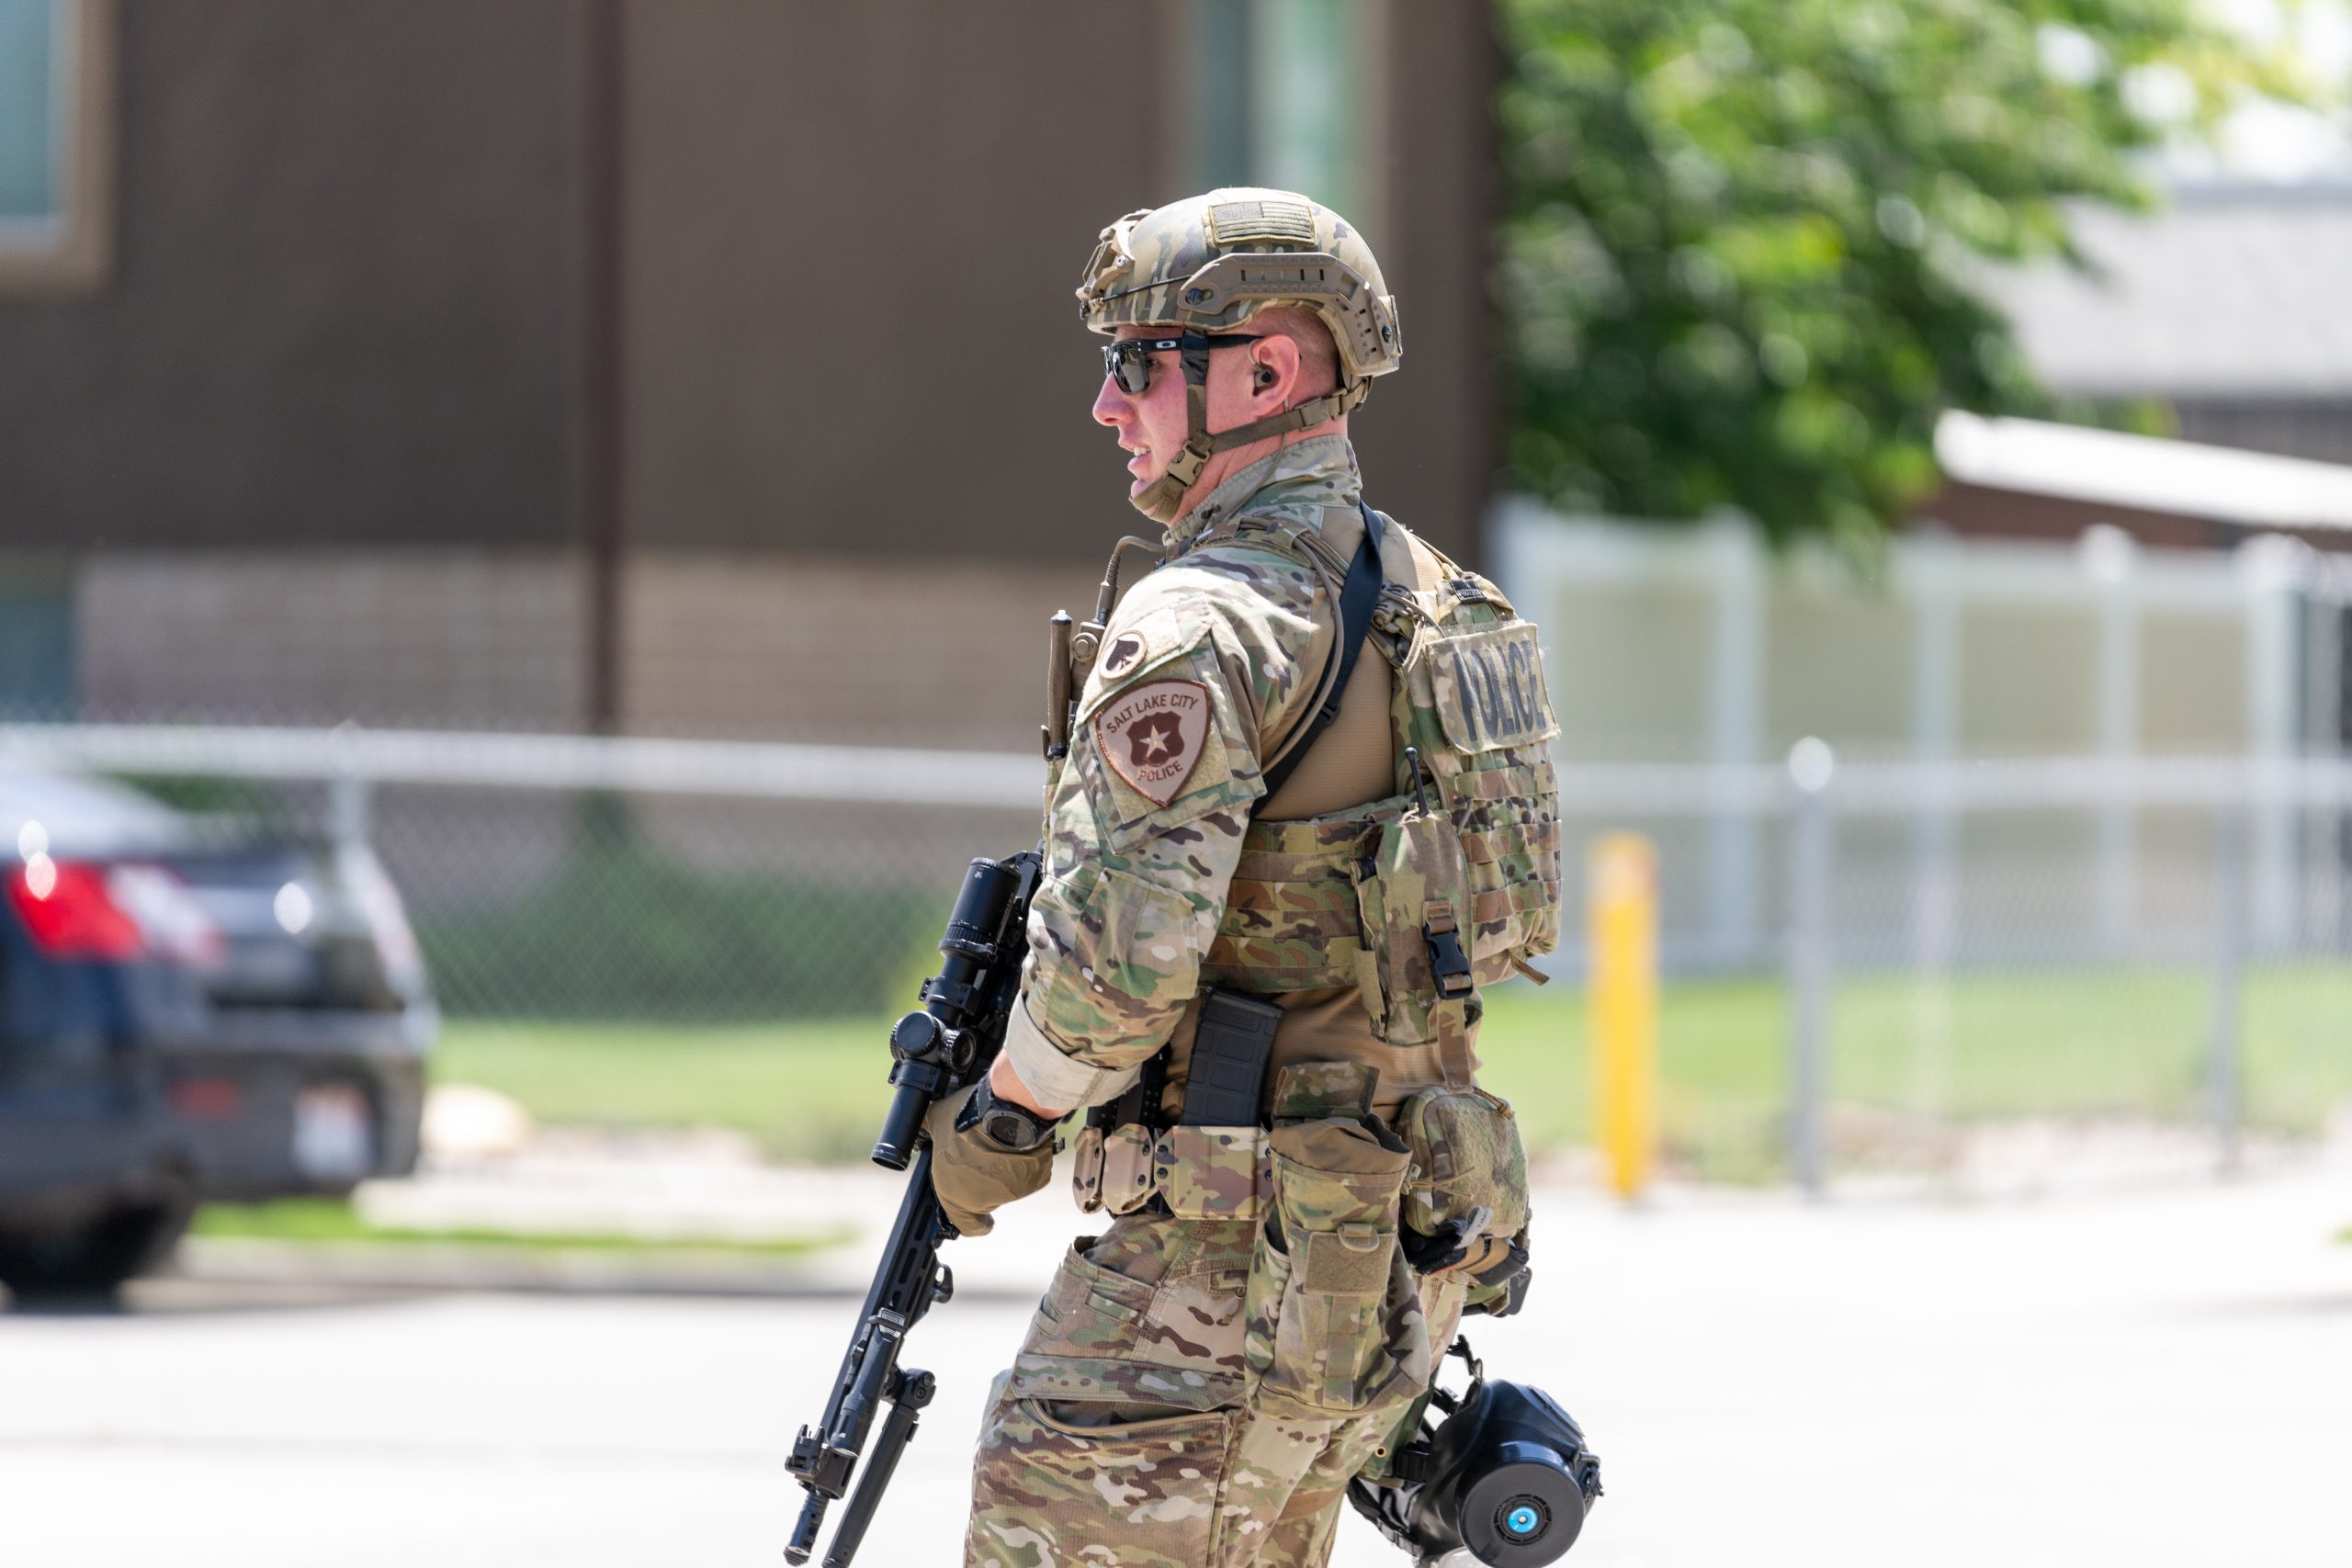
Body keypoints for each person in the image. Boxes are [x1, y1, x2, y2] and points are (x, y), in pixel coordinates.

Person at [928, 187, 1564, 1568]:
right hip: (1388, 1265)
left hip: (1215, 1283)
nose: (1109, 409)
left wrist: (996, 1123)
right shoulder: (1450, 608)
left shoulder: (1201, 622)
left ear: (1266, 370)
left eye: (1135, 364)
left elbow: (1108, 981)